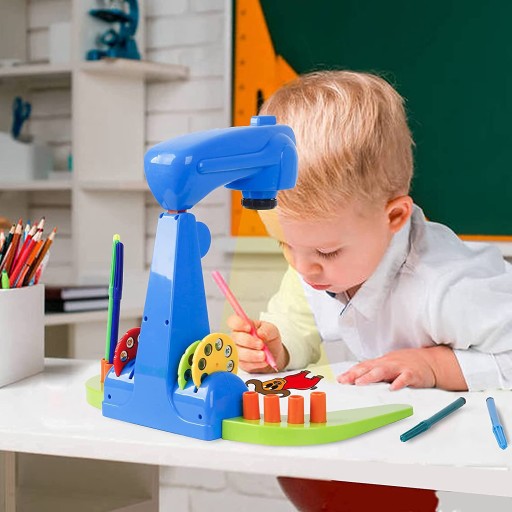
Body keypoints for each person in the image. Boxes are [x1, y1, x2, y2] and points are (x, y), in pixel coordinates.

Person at [227, 70, 512, 391]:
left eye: (327, 251)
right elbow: (296, 324)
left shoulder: (448, 290)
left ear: (394, 217)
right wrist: (275, 348)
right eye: (285, 244)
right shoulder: (311, 263)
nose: (303, 268)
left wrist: (435, 366)